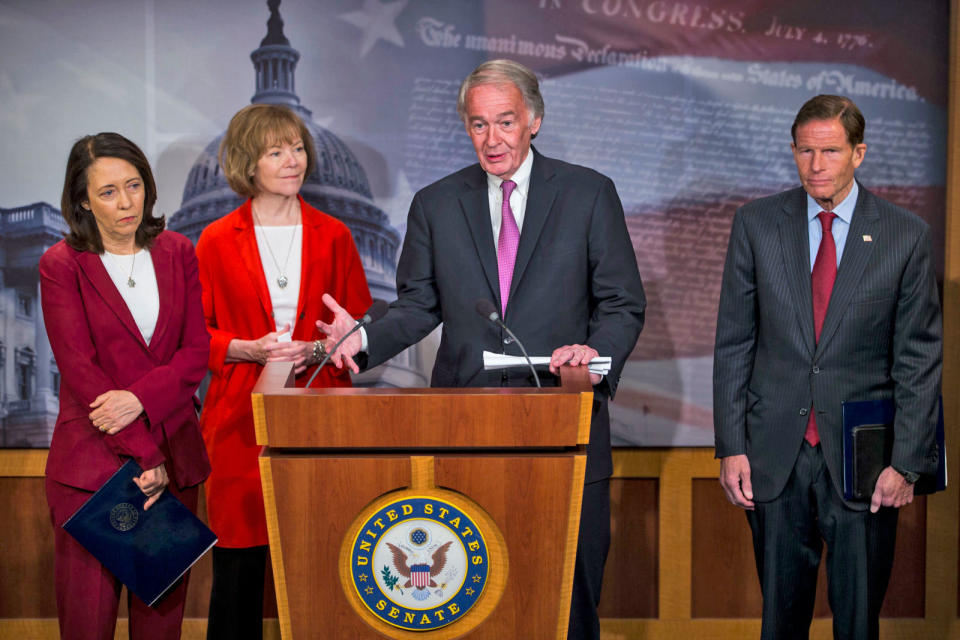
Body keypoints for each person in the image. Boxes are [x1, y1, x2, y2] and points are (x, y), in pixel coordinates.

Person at [319, 59, 645, 639]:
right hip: (465, 424)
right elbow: (418, 305)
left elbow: (622, 303)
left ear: (534, 121)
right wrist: (361, 337)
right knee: (475, 595)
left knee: (567, 599)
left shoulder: (589, 193)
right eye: (478, 125)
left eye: (505, 122)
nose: (492, 139)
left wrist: (592, 356)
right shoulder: (437, 203)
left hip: (563, 423)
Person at [713, 94, 942, 639]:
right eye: (806, 151)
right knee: (780, 620)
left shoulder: (904, 235)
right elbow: (734, 343)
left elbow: (918, 357)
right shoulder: (756, 224)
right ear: (793, 152)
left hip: (866, 462)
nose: (816, 165)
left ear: (858, 153)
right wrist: (732, 445)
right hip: (774, 453)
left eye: (831, 151)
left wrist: (907, 462)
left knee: (858, 621)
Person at [196, 103, 372, 640]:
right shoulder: (214, 240)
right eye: (276, 151)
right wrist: (245, 349)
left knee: (324, 559)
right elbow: (193, 336)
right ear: (249, 163)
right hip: (238, 424)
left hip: (321, 417)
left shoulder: (335, 234)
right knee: (240, 569)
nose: (292, 160)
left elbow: (356, 333)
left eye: (297, 148)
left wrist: (318, 352)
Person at [39, 132, 211, 640]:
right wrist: (144, 455)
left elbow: (195, 354)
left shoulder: (178, 250)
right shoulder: (60, 264)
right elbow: (80, 370)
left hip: (175, 461)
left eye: (133, 185)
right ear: (82, 201)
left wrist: (140, 401)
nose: (126, 202)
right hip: (93, 469)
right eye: (108, 191)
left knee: (161, 627)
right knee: (87, 625)